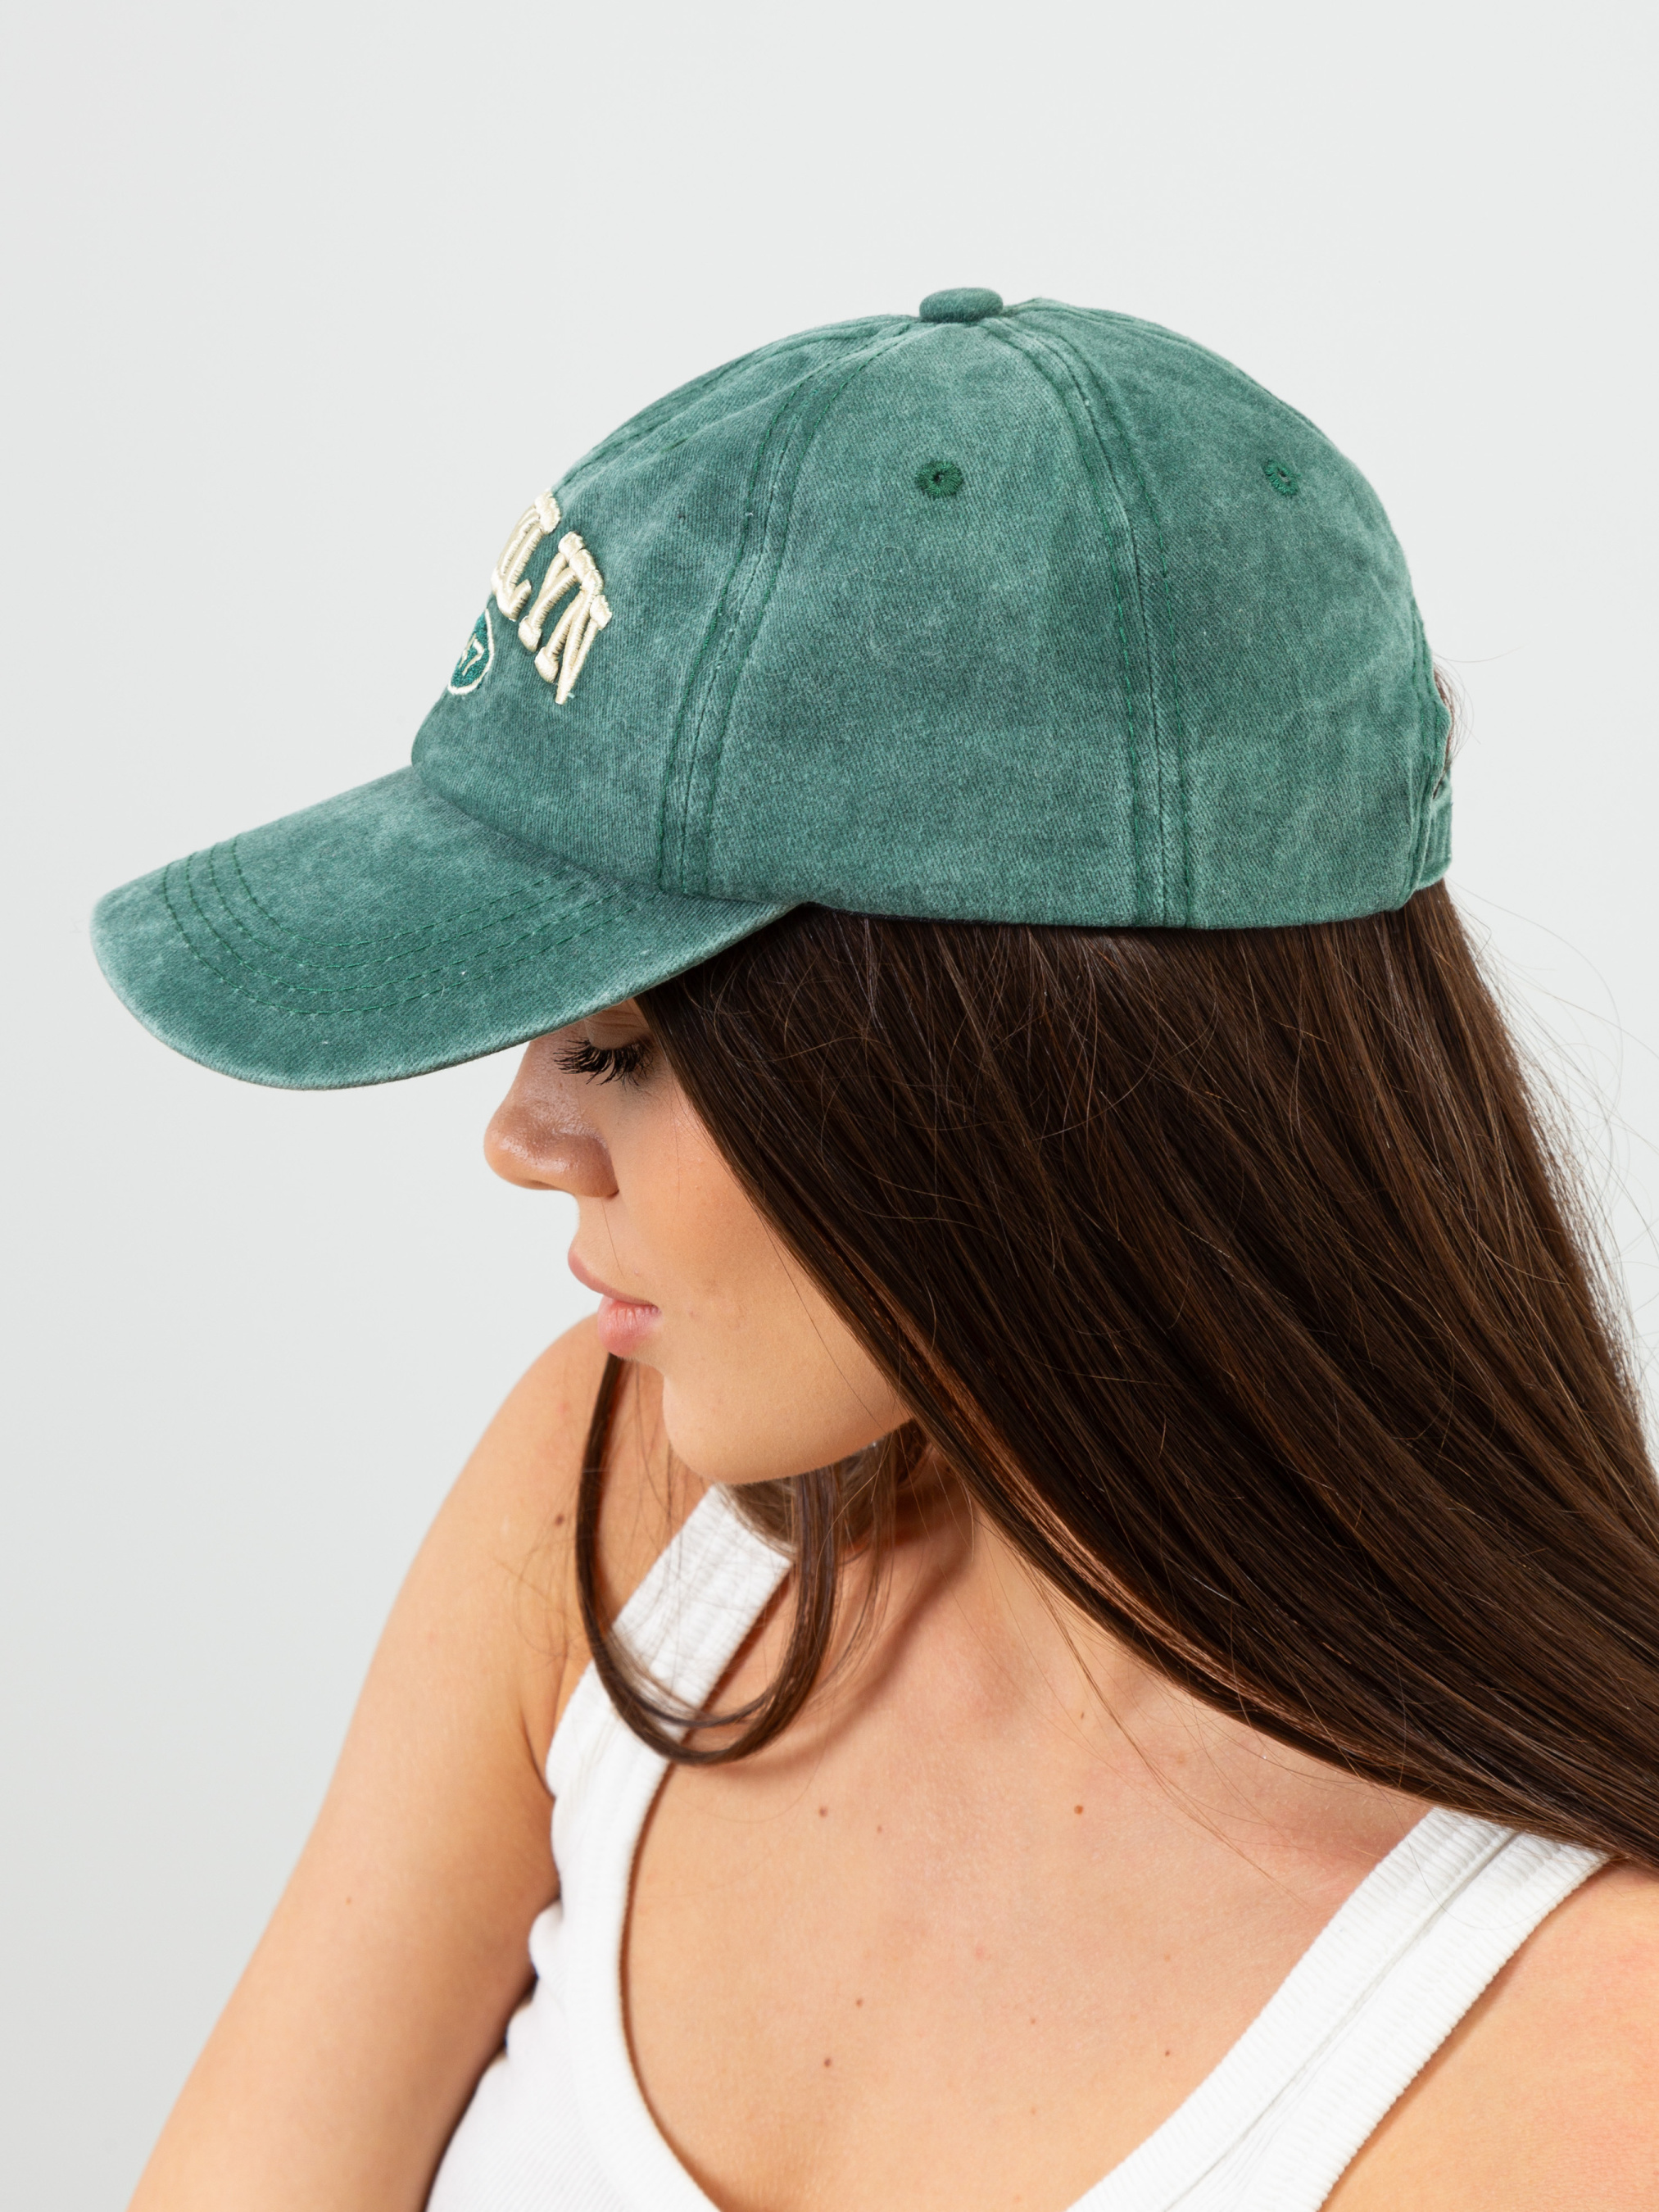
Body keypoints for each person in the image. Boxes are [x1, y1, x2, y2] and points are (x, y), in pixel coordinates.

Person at [94, 288, 1659, 2211]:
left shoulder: (1584, 2061)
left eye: (620, 1045)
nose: (518, 1138)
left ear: (998, 1088)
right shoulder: (614, 1506)